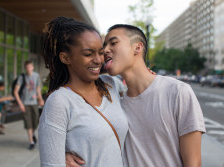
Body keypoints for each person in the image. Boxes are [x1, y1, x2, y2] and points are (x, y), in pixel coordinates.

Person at [67, 24, 206, 167]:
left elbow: (193, 162)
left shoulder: (178, 92)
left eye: (113, 43)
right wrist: (63, 154)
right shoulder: (114, 104)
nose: (105, 50)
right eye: (104, 45)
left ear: (137, 48)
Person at [38, 16, 128, 167]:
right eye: (88, 54)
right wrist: (59, 157)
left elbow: (142, 97)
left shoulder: (111, 85)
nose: (98, 60)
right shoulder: (59, 102)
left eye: (100, 52)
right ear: (65, 57)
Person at [14, 60, 44, 150]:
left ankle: (32, 134)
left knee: (36, 121)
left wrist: (40, 98)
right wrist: (20, 104)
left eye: (30, 67)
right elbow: (15, 92)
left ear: (33, 67)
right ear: (25, 68)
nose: (29, 69)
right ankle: (31, 141)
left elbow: (37, 88)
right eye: (27, 67)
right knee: (28, 123)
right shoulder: (21, 77)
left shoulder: (36, 76)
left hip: (34, 102)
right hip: (25, 103)